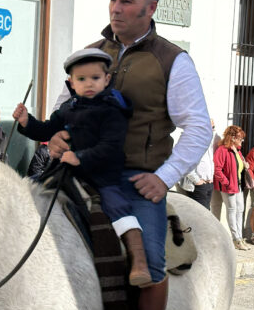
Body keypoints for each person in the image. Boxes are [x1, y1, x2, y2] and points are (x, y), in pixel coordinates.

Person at [48, 0, 212, 310]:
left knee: (152, 263)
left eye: (126, 2)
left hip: (135, 178)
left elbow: (199, 126)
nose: (116, 9)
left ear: (150, 7)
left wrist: (164, 177)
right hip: (81, 167)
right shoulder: (90, 51)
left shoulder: (172, 59)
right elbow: (61, 109)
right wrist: (54, 137)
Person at [14, 48, 151, 287]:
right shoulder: (67, 110)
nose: (89, 84)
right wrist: (27, 122)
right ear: (71, 83)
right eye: (81, 79)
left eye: (95, 78)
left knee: (116, 204)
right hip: (65, 172)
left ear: (106, 80)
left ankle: (138, 258)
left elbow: (110, 146)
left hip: (102, 174)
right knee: (28, 192)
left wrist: (80, 157)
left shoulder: (112, 111)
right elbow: (46, 130)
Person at [214, 125, 250, 251]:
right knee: (232, 210)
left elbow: (238, 166)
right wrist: (227, 183)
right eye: (240, 138)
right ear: (233, 137)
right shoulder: (222, 150)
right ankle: (236, 239)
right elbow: (217, 170)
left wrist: (245, 165)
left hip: (239, 185)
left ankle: (240, 237)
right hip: (229, 187)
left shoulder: (237, 150)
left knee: (240, 210)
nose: (242, 140)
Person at [179, 119, 219, 209]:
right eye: (211, 127)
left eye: (214, 127)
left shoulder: (208, 142)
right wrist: (197, 181)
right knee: (200, 215)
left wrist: (211, 178)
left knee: (206, 212)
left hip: (208, 183)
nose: (213, 130)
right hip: (197, 185)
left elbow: (210, 161)